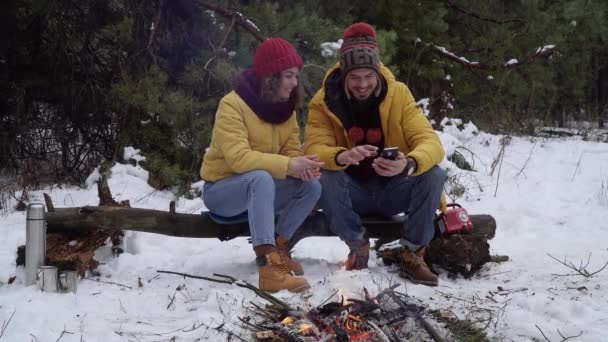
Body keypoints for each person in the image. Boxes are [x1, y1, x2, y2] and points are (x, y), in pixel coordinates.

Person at [304, 23, 446, 287]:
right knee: (323, 175)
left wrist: (408, 163)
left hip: (392, 191)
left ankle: (412, 253)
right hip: (350, 194)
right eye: (355, 78)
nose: (362, 85)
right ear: (344, 75)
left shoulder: (399, 94)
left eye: (368, 76)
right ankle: (358, 246)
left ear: (378, 71)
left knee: (434, 174)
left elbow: (430, 142)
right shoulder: (324, 101)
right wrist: (342, 157)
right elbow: (313, 150)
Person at [201, 38, 323, 293]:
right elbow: (239, 159)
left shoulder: (286, 110)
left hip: (261, 191)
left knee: (311, 186)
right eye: (289, 75)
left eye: (296, 76)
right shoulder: (233, 104)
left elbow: (290, 151)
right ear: (270, 77)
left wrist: (303, 167)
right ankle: (268, 268)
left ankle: (280, 248)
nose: (295, 82)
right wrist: (290, 165)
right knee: (260, 178)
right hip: (222, 193)